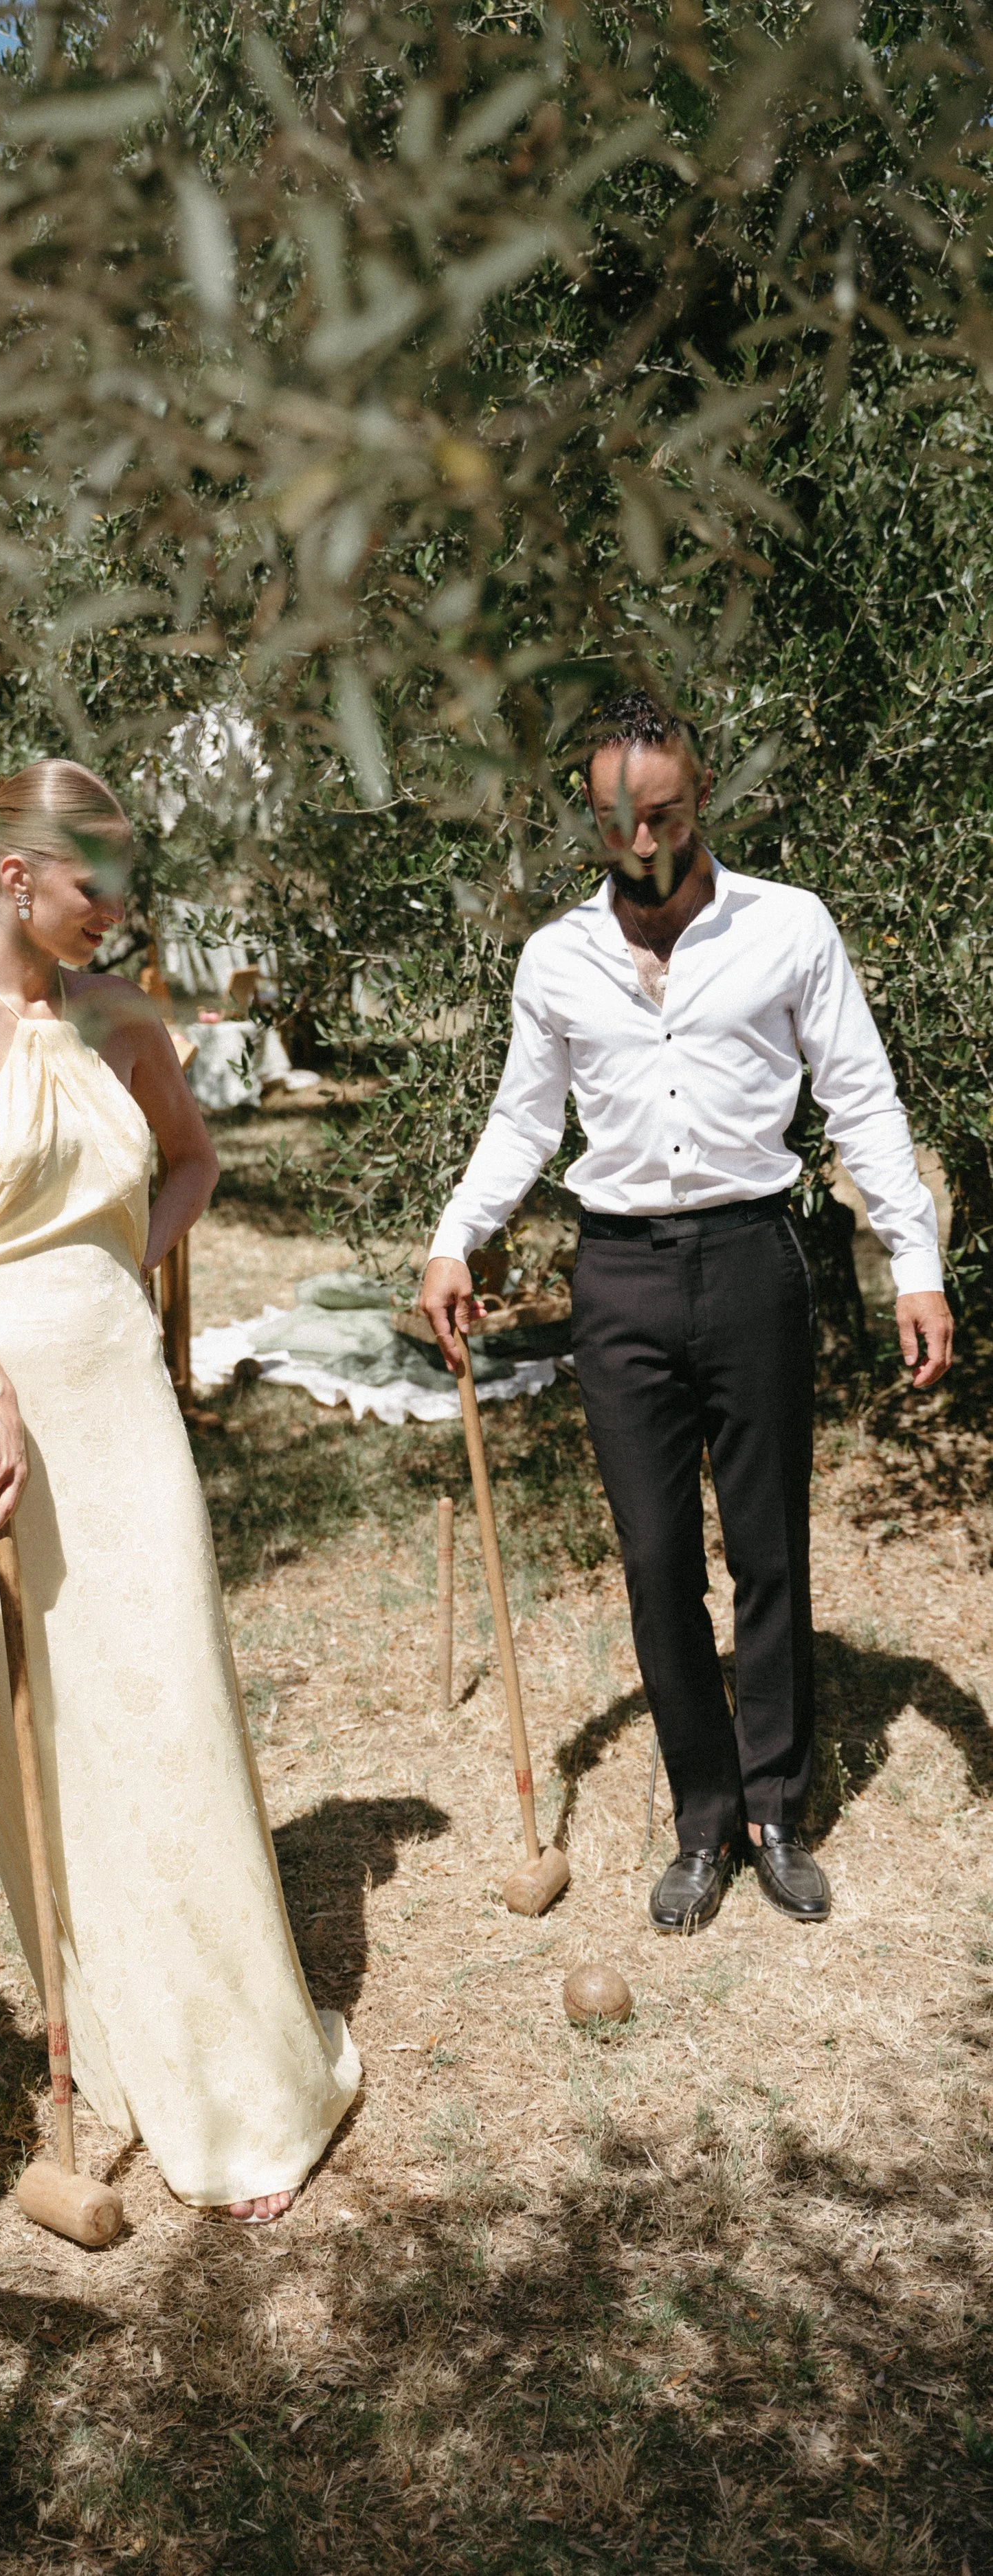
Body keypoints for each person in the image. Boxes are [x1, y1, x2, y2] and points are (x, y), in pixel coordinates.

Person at [0, 759, 359, 2222]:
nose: (117, 911)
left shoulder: (127, 1019)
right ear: (14, 876)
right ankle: (122, 2044)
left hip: (117, 1405)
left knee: (172, 1717)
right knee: (53, 1750)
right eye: (95, 885)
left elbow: (193, 1165)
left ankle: (235, 2086)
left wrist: (105, 1276)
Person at [421, 690, 952, 1936]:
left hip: (755, 1257)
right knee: (660, 1564)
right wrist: (457, 1234)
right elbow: (522, 1118)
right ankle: (701, 1814)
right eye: (620, 822)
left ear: (701, 799)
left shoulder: (790, 927)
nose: (646, 843)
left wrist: (914, 1260)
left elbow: (862, 1101)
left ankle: (777, 1808)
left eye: (664, 814)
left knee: (768, 1550)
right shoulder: (556, 957)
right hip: (618, 1278)